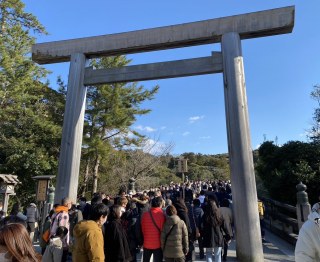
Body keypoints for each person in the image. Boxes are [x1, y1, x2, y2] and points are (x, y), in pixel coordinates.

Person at [141, 196, 166, 262]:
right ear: (160, 204)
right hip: (158, 244)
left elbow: (143, 229)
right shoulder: (161, 215)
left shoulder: (145, 214)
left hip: (146, 243)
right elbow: (163, 230)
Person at [50, 197, 72, 262]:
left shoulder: (57, 212)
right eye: (71, 203)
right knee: (61, 259)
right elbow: (62, 230)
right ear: (67, 204)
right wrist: (65, 243)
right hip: (60, 242)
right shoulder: (64, 214)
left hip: (54, 239)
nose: (71, 204)